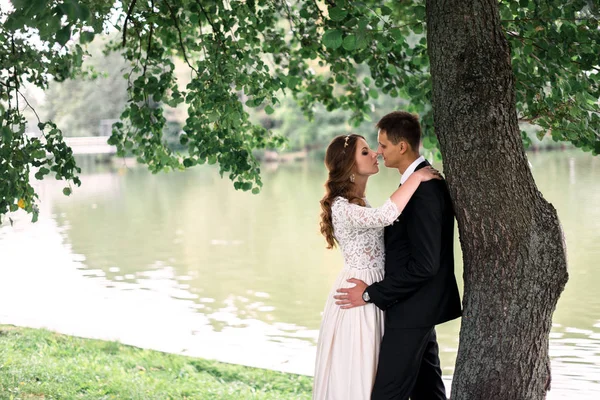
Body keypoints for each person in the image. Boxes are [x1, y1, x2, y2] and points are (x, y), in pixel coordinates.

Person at [334, 112, 462, 400]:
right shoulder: (419, 183)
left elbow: (426, 265)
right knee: (428, 391)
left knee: (387, 394)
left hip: (412, 310)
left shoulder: (426, 189)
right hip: (415, 306)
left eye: (383, 145)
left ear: (402, 146)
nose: (379, 152)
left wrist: (370, 294)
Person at [313, 133, 442, 400]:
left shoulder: (360, 202)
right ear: (348, 166)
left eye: (373, 148)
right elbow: (385, 215)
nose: (375, 154)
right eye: (365, 152)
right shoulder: (341, 207)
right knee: (361, 369)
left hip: (377, 290)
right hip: (358, 294)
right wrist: (417, 177)